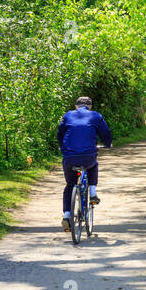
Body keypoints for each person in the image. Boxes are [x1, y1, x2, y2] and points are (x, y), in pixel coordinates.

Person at [57, 96, 112, 233]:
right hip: (88, 156)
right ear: (90, 106)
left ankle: (67, 215)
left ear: (76, 106)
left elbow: (60, 133)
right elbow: (106, 132)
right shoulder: (96, 116)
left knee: (70, 185)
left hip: (69, 157)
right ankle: (92, 192)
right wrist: (107, 144)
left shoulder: (68, 115)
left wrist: (62, 147)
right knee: (93, 165)